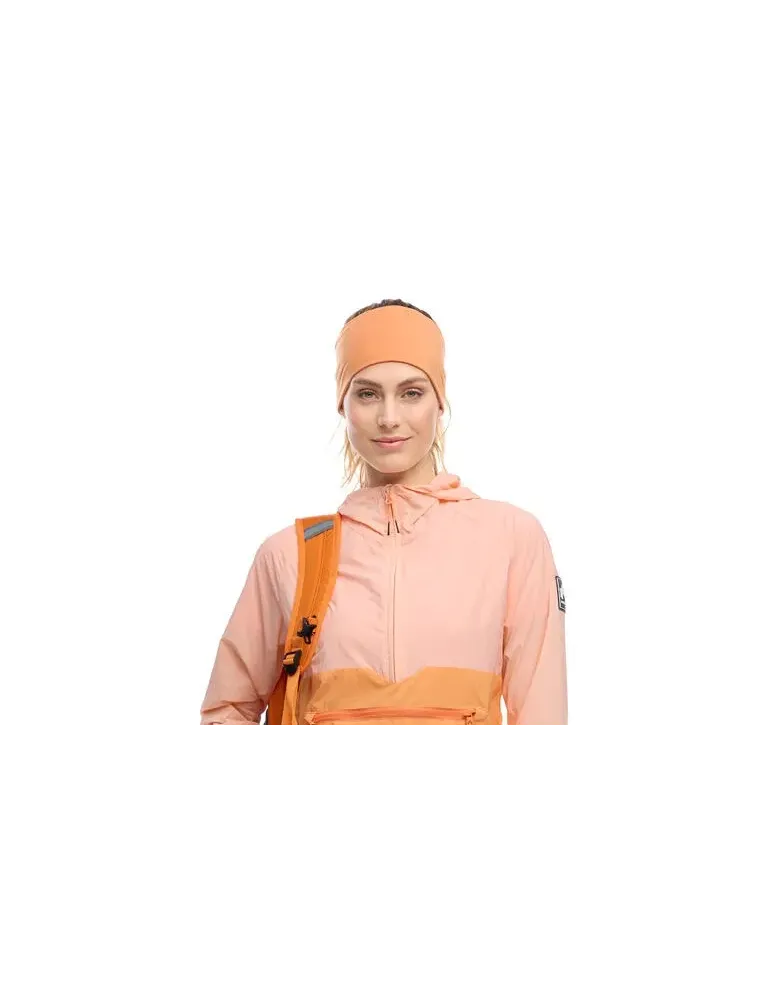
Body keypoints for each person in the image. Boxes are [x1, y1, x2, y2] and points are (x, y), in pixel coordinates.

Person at [200, 298, 568, 726]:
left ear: (439, 402)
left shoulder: (511, 537)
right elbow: (226, 713)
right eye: (368, 394)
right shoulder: (290, 554)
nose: (389, 418)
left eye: (411, 393)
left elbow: (543, 719)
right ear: (343, 405)